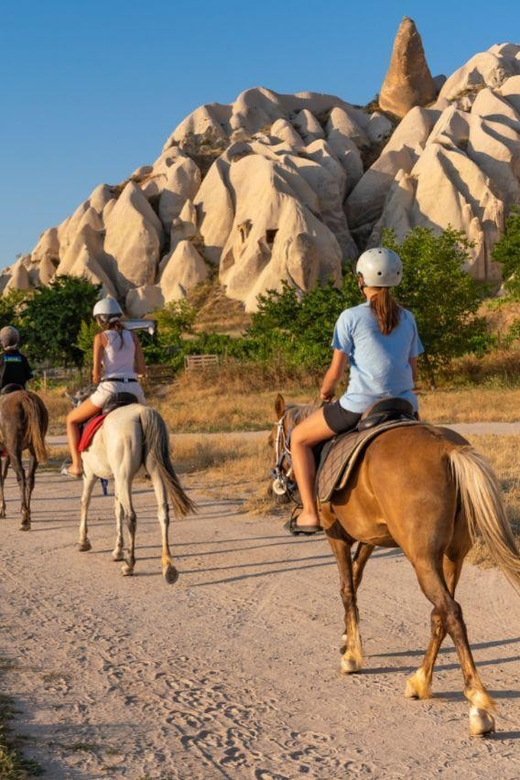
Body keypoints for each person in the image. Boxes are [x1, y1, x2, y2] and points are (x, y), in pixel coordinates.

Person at [286, 247, 423, 536]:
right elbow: (414, 371)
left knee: (298, 438)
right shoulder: (408, 318)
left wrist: (325, 392)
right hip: (404, 404)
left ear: (361, 280)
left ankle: (310, 513)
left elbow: (335, 372)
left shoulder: (350, 317)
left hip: (360, 405)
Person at [65, 297, 147, 478]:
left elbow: (96, 375)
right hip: (134, 389)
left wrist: (104, 373)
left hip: (110, 389)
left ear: (101, 319)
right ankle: (151, 463)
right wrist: (126, 370)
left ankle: (77, 466)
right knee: (150, 424)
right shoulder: (133, 336)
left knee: (71, 420)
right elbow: (141, 369)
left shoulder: (100, 338)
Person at [0, 326, 33, 391]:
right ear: (17, 340)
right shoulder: (23, 358)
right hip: (20, 389)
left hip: (3, 390)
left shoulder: (1, 357)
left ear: (3, 343)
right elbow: (30, 376)